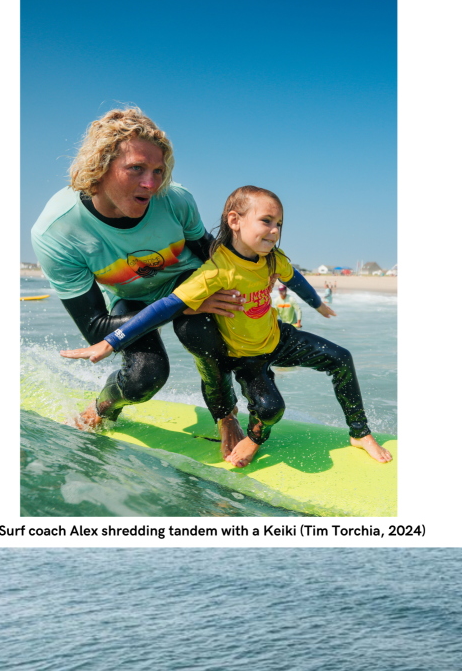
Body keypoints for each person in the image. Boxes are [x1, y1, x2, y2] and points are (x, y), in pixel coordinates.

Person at [72, 185, 393, 469]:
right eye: (266, 221)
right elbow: (165, 307)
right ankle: (254, 439)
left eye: (279, 224)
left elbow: (292, 277)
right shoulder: (216, 270)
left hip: (278, 338)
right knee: (270, 408)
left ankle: (359, 433)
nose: (274, 230)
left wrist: (317, 304)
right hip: (245, 356)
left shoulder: (271, 258)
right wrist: (112, 341)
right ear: (235, 221)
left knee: (341, 358)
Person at [31, 107, 247, 458]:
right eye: (136, 169)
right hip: (130, 299)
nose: (152, 183)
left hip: (185, 279)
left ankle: (225, 415)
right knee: (144, 378)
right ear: (100, 166)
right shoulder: (58, 230)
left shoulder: (174, 199)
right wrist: (184, 302)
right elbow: (96, 327)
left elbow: (207, 251)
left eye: (158, 171)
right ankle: (105, 406)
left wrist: (242, 287)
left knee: (199, 332)